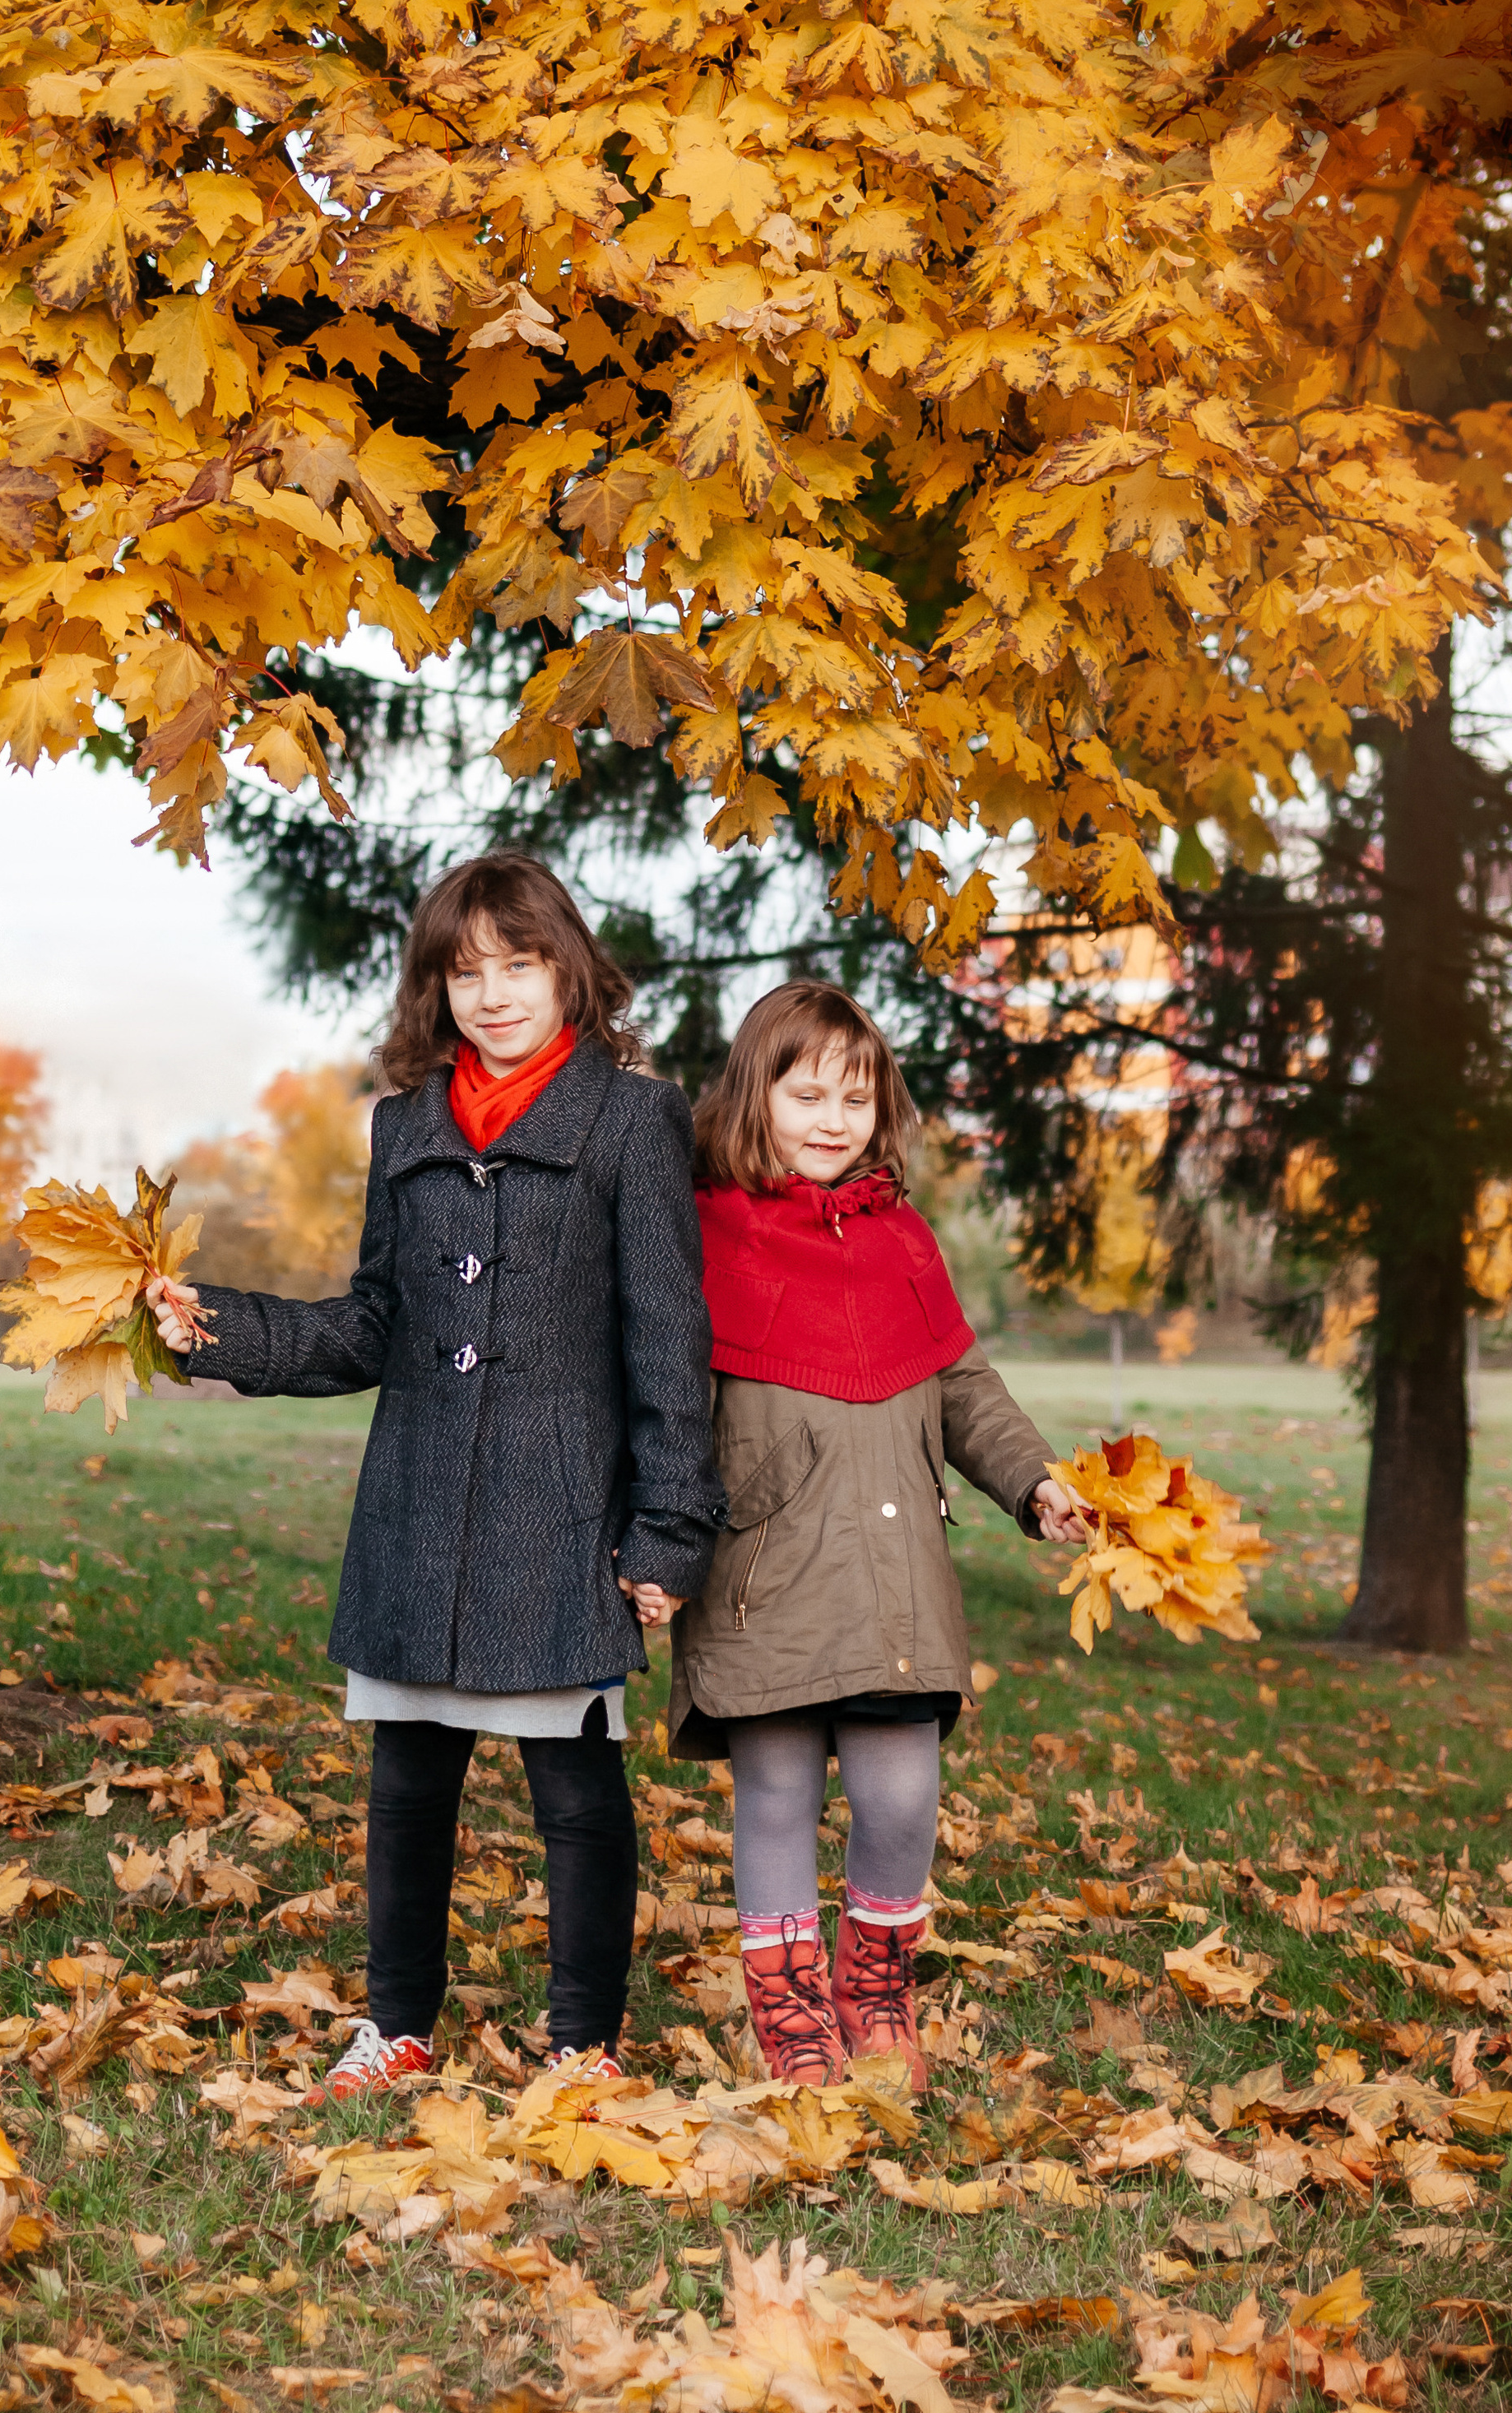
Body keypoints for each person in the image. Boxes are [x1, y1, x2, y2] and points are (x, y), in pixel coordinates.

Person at [146, 854, 724, 2100]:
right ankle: (397, 2027)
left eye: (520, 965)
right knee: (407, 1783)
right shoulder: (403, 1123)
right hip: (416, 1504)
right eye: (467, 973)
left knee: (575, 1790)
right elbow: (372, 1326)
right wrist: (220, 1331)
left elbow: (670, 1343)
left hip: (561, 1512)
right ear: (436, 988)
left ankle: (584, 2048)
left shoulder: (631, 1116)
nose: (496, 994)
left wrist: (669, 1533)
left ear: (570, 968)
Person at [668, 981, 1089, 2089]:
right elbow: (661, 1414)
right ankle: (792, 2011)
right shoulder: (702, 1236)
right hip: (761, 1578)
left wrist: (1034, 1480)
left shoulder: (901, 1240)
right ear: (752, 1097)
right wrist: (652, 1546)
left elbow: (961, 1379)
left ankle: (876, 1985)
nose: (831, 1118)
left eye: (856, 1097)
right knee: (775, 1796)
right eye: (805, 1093)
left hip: (895, 1575)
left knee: (902, 1798)